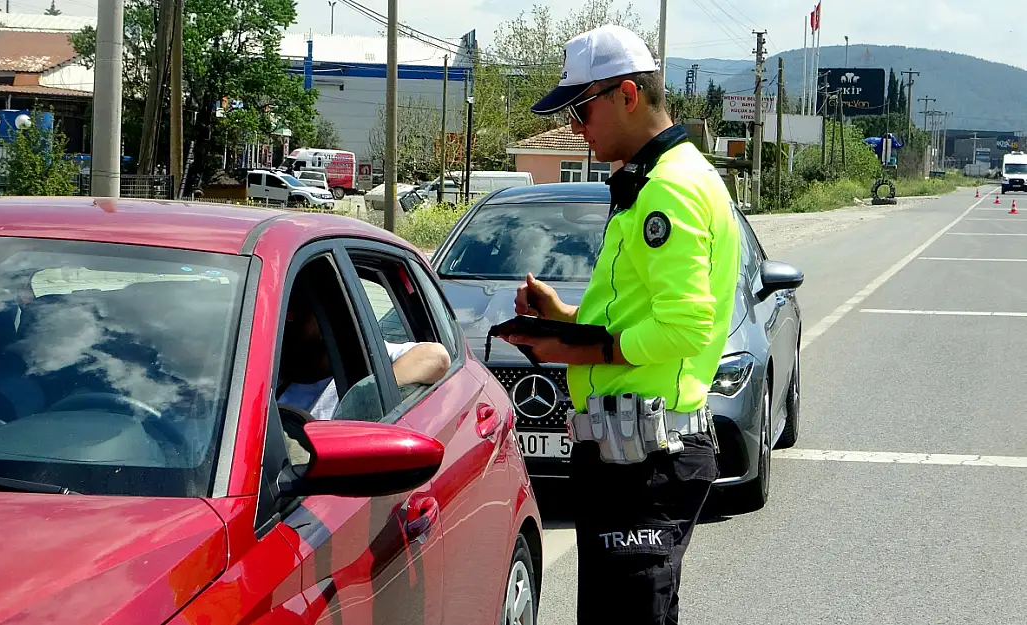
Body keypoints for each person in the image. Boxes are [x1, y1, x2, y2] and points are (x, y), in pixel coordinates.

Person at [500, 24, 742, 625]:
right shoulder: (656, 182)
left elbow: (686, 328)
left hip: (646, 459)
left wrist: (583, 349)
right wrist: (565, 318)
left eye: (582, 110)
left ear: (627, 96)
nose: (577, 130)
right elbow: (640, 316)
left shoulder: (669, 191)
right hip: (628, 454)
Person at [276, 288, 451, 421]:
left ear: (326, 318)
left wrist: (370, 392)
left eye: (291, 315)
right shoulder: (264, 370)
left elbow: (436, 356)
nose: (281, 325)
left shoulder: (362, 358)